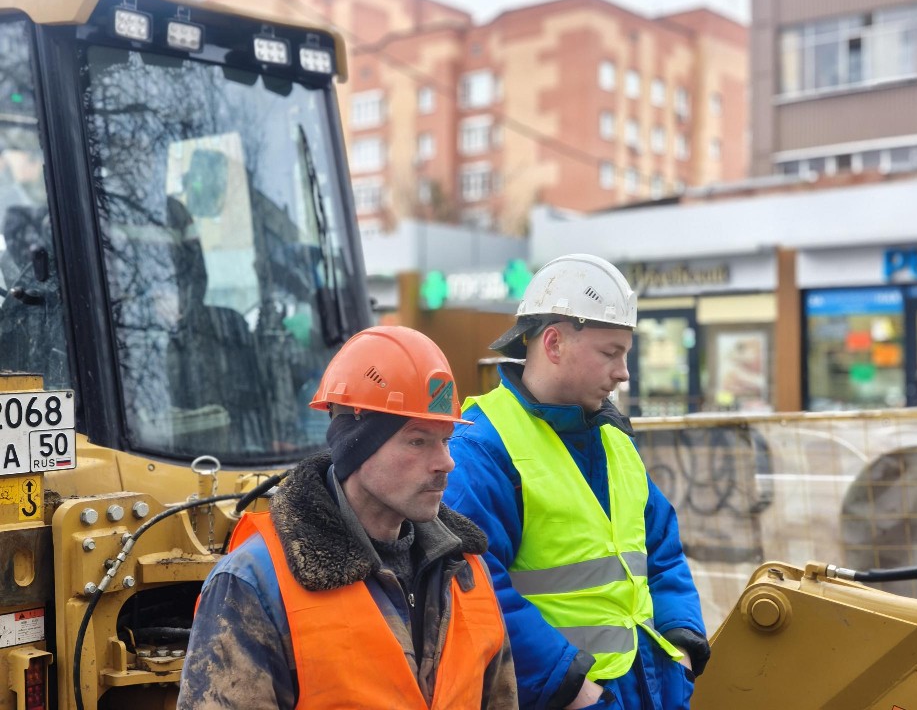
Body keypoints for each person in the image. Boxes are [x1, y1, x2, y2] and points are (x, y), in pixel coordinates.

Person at [179, 325, 518, 709]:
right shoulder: (255, 581)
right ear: (357, 446)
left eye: (445, 440)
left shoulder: (467, 570)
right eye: (417, 440)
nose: (446, 462)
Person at [443, 254, 710, 709]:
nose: (624, 372)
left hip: (649, 689)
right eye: (611, 353)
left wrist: (681, 645)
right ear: (553, 343)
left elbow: (662, 553)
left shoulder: (613, 438)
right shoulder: (483, 446)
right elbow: (477, 589)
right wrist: (571, 689)